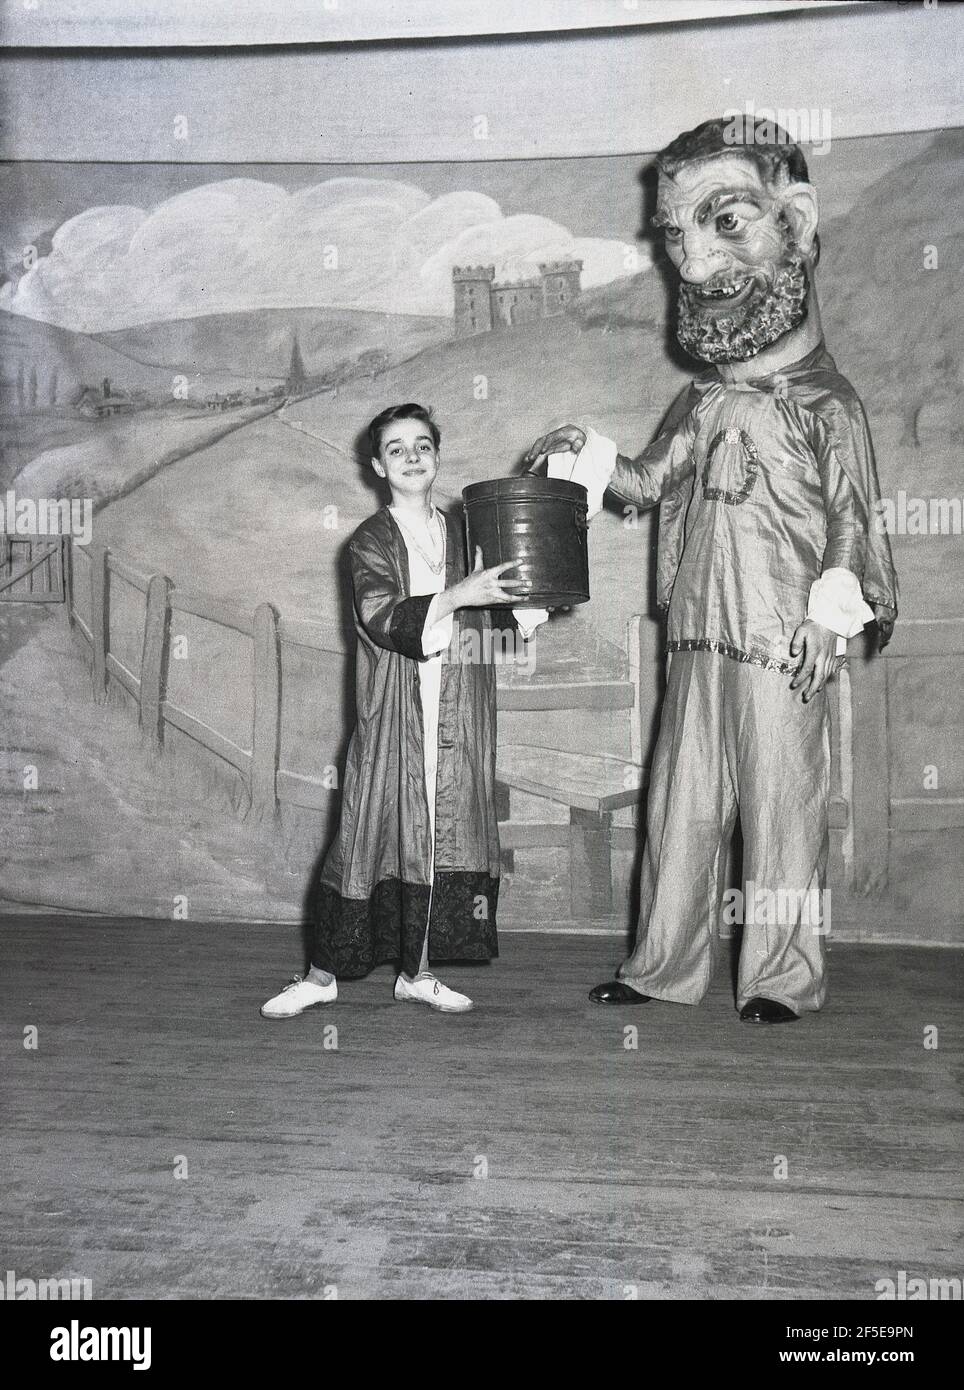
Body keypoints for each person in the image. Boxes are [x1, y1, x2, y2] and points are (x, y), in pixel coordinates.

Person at [526, 117, 898, 1024]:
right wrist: (587, 454)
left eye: (724, 221)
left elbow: (853, 521)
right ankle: (662, 963)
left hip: (781, 645)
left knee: (783, 811)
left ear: (795, 221)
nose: (692, 263)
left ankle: (780, 977)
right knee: (679, 809)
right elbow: (647, 483)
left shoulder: (830, 405)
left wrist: (828, 617)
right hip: (697, 638)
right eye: (676, 233)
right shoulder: (701, 401)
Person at [262, 403, 541, 1018]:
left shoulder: (466, 532)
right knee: (366, 833)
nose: (412, 457)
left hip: (459, 704)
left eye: (422, 445)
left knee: (443, 831)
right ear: (377, 466)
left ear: (437, 455)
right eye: (397, 449)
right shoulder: (369, 540)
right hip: (396, 704)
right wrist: (460, 595)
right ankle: (320, 976)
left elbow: (498, 610)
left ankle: (418, 973)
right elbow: (382, 617)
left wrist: (531, 594)